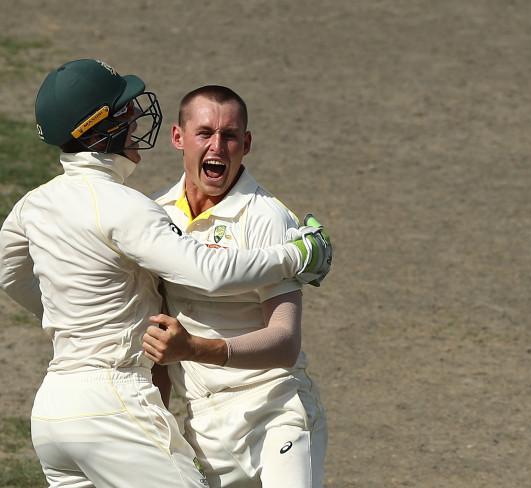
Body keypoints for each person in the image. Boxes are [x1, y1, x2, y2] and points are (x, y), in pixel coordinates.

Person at [0, 60, 332, 488]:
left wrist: (72, 315)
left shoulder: (31, 204)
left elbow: (10, 275)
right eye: (125, 112)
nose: (136, 118)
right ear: (102, 128)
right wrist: (297, 255)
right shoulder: (134, 207)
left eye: (228, 135)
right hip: (115, 403)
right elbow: (206, 272)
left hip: (53, 411)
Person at [142, 85, 329, 488]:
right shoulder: (153, 215)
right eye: (205, 133)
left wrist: (194, 349)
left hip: (275, 410)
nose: (218, 146)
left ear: (246, 144)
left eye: (229, 136)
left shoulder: (268, 218)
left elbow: (285, 341)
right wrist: (156, 427)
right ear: (178, 138)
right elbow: (157, 339)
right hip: (202, 425)